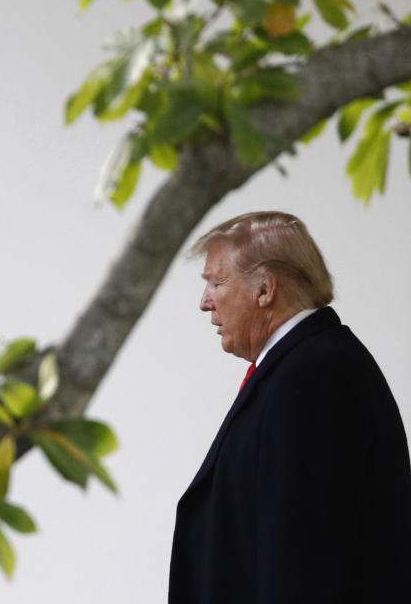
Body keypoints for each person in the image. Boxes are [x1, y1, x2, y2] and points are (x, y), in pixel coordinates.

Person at [169, 211, 411, 603]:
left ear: (265, 290)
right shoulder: (309, 366)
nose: (204, 302)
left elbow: (301, 561)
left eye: (216, 282)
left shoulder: (314, 377)